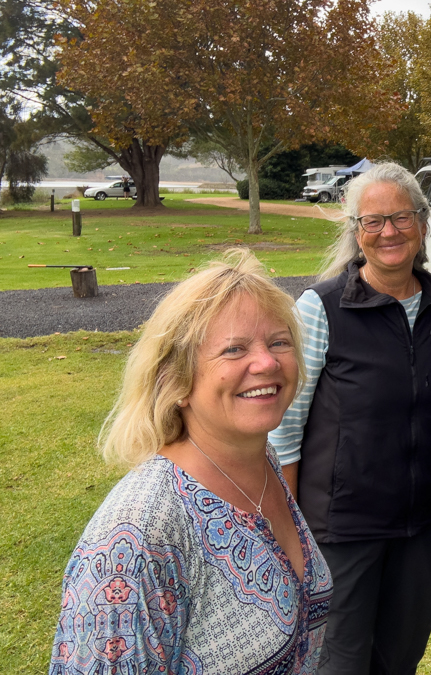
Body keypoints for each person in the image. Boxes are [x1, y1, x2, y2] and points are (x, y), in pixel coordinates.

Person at [49, 249, 332, 674]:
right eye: (234, 349)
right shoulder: (138, 536)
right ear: (176, 381)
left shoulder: (260, 460)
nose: (268, 362)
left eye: (279, 342)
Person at [268, 162, 431, 675]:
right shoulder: (321, 307)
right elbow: (285, 432)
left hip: (422, 527)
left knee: (400, 657)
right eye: (372, 222)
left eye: (400, 218)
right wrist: (292, 528)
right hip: (341, 529)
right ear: (357, 232)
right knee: (340, 662)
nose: (388, 232)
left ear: (422, 222)